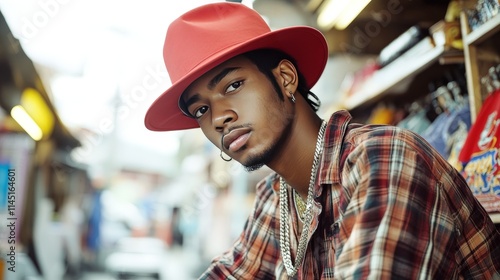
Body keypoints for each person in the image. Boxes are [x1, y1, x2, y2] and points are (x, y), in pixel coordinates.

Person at [144, 2, 500, 279]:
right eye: (201, 109)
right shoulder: (276, 196)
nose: (219, 117)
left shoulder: (382, 158)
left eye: (233, 86)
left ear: (285, 78)